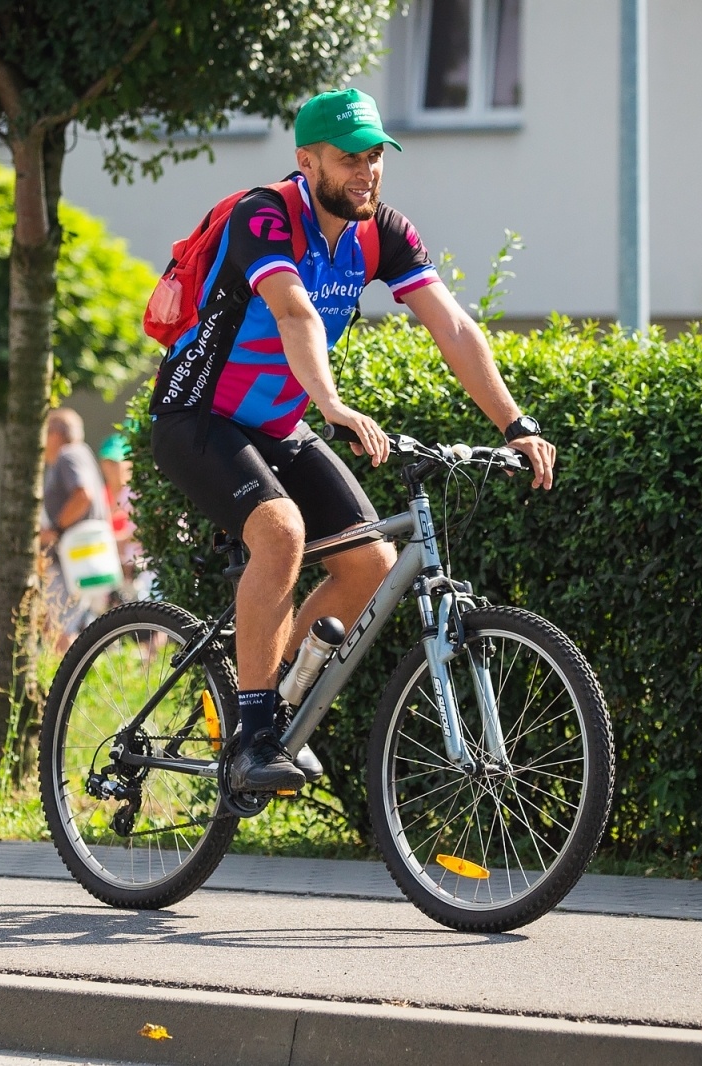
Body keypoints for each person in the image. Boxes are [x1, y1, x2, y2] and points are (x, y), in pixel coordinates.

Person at [147, 88, 556, 794]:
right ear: (307, 161)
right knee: (281, 532)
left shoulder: (383, 232)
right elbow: (293, 311)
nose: (366, 173)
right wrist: (332, 404)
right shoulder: (264, 216)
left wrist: (515, 423)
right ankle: (252, 739)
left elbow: (453, 326)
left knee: (370, 566)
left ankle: (270, 707)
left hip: (276, 423)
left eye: (375, 157)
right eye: (349, 159)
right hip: (198, 415)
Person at [40, 407, 110, 648]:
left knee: (60, 629)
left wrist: (56, 530)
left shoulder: (68, 454)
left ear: (55, 434)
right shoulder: (81, 453)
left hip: (71, 558)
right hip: (80, 556)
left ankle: (67, 673)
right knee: (61, 626)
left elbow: (83, 495)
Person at [97, 433, 145, 597]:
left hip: (139, 571)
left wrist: (118, 541)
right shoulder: (102, 495)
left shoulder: (135, 495)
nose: (110, 469)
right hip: (110, 574)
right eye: (107, 463)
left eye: (115, 463)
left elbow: (146, 531)